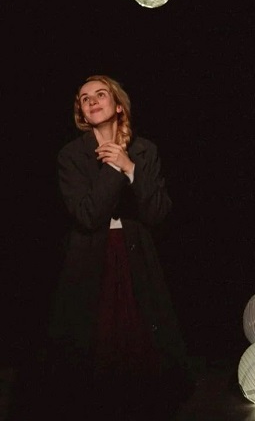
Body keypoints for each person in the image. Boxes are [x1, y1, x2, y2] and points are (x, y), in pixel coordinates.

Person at [44, 74, 192, 419]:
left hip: (135, 253)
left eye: (100, 94)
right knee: (93, 345)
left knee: (141, 342)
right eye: (85, 98)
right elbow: (89, 215)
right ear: (81, 113)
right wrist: (114, 167)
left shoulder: (144, 150)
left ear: (118, 105)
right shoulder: (72, 155)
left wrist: (131, 168)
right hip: (90, 257)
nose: (92, 101)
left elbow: (158, 213)